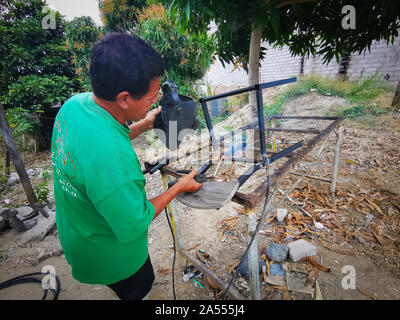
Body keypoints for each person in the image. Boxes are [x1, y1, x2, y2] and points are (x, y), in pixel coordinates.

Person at [51, 33, 203, 300]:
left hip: (79, 236)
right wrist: (178, 187)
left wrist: (144, 123)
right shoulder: (116, 164)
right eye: (151, 97)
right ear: (123, 98)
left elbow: (98, 144)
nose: (154, 102)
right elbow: (136, 221)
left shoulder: (76, 105)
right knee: (138, 290)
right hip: (114, 258)